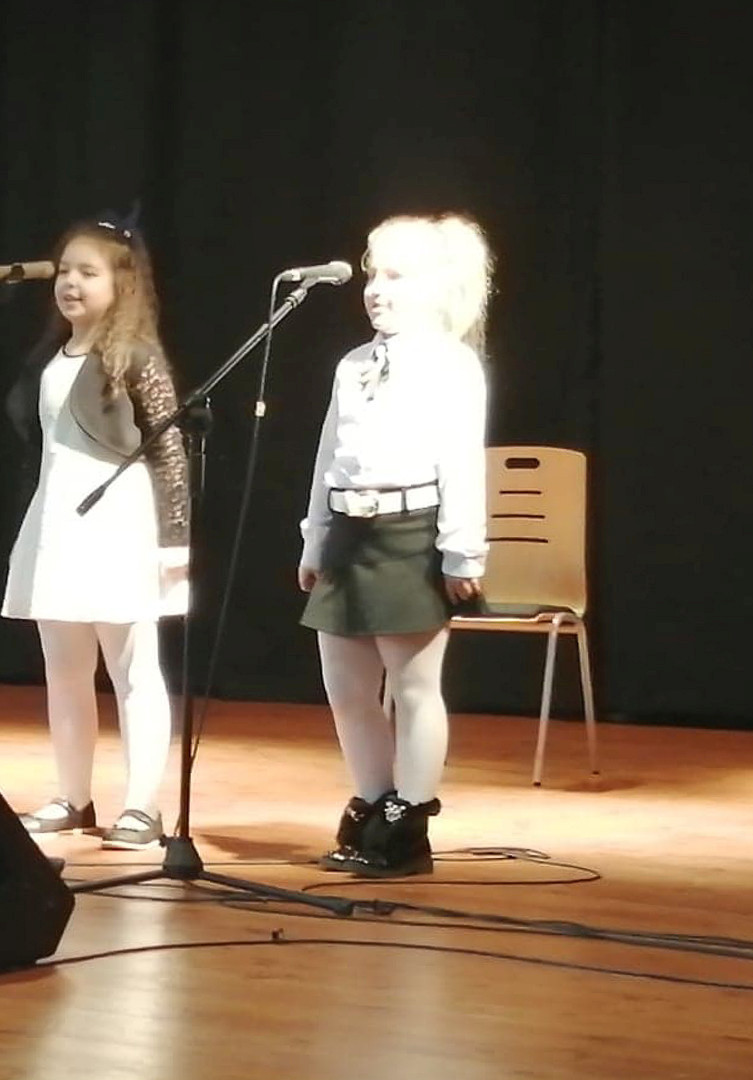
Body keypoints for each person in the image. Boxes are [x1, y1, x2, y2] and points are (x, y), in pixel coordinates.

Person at [297, 213, 492, 877]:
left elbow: (462, 458)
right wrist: (315, 539)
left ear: (436, 286)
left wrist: (462, 552)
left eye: (396, 276)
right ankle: (373, 802)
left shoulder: (451, 363)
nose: (376, 288)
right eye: (372, 273)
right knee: (347, 686)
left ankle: (409, 822)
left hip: (410, 531)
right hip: (348, 533)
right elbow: (329, 457)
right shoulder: (353, 365)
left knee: (412, 687)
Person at [2, 217, 189, 851]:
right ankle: (72, 796)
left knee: (133, 669)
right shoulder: (53, 357)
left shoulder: (134, 355)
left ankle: (142, 806)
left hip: (119, 522)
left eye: (88, 272)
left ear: (122, 283)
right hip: (58, 521)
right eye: (65, 271)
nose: (71, 283)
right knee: (65, 670)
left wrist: (175, 540)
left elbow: (168, 451)